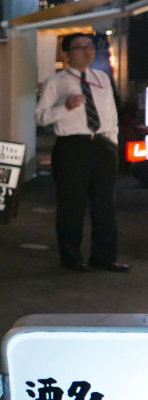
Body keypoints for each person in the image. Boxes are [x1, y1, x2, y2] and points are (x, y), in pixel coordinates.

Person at [34, 32, 130, 273]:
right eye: (79, 47)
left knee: (105, 205)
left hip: (102, 145)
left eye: (90, 46)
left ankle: (105, 257)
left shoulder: (103, 78)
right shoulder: (55, 82)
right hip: (72, 146)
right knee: (71, 204)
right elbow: (41, 116)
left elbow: (111, 112)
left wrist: (112, 141)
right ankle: (72, 257)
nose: (87, 51)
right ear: (67, 54)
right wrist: (65, 106)